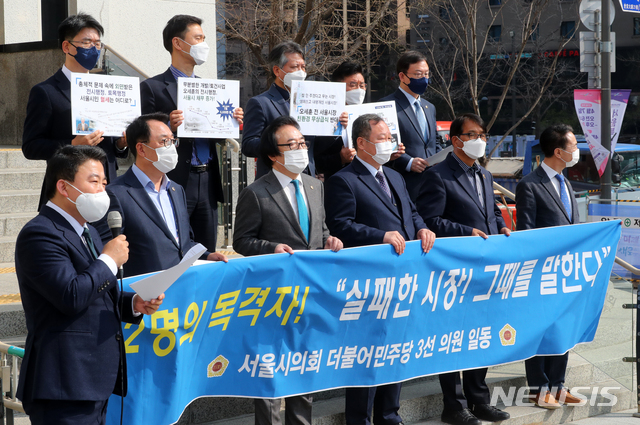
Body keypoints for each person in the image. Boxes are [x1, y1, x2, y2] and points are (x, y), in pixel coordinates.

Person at [15, 145, 164, 425]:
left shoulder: (89, 231)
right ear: (64, 186)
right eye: (94, 181)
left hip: (93, 380)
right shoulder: (40, 233)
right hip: (64, 383)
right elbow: (70, 295)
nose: (102, 191)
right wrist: (109, 259)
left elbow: (95, 294)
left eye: (105, 183)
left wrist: (133, 303)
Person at [325, 113, 435, 425]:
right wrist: (380, 236)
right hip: (369, 282)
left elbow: (411, 214)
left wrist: (423, 229)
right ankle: (359, 419)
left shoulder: (396, 176)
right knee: (367, 351)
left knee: (395, 348)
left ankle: (389, 414)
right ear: (361, 143)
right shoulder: (343, 180)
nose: (389, 144)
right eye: (382, 139)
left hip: (402, 279)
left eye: (389, 137)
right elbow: (341, 226)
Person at [233, 115, 342, 425]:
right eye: (291, 145)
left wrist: (330, 239)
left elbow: (320, 231)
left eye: (302, 143)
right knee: (270, 371)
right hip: (274, 295)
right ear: (272, 154)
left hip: (311, 293)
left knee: (303, 367)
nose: (300, 150)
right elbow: (242, 240)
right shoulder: (256, 192)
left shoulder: (314, 185)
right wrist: (272, 248)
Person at [416, 113, 510, 425]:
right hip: (454, 271)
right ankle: (454, 405)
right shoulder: (438, 175)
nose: (479, 140)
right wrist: (465, 231)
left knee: (481, 335)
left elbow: (492, 211)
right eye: (472, 135)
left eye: (482, 134)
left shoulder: (483, 174)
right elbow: (430, 221)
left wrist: (500, 226)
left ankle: (479, 400)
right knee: (453, 337)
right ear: (456, 141)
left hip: (485, 269)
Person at [140, 14, 243, 252]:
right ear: (178, 43)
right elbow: (140, 136)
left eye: (204, 38)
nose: (204, 45)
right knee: (175, 244)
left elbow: (217, 136)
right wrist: (169, 126)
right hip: (174, 177)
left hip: (207, 178)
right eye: (198, 38)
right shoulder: (153, 87)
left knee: (207, 248)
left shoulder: (210, 89)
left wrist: (231, 122)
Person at [96, 113, 227, 278]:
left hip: (181, 288)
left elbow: (182, 242)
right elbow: (107, 251)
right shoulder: (116, 193)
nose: (171, 147)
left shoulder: (177, 190)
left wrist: (207, 255)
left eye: (173, 141)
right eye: (164, 141)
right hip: (144, 295)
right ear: (141, 149)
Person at [22, 13, 128, 208]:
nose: (94, 49)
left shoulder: (108, 90)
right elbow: (31, 146)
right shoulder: (46, 91)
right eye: (87, 42)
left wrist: (121, 144)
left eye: (98, 44)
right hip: (67, 195)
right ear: (66, 46)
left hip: (106, 191)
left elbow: (114, 149)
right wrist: (71, 144)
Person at [515, 124, 584, 409]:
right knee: (540, 329)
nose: (576, 152)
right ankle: (539, 387)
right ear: (558, 152)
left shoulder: (565, 182)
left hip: (567, 272)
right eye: (573, 147)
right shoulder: (530, 184)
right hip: (541, 274)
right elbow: (527, 233)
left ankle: (558, 384)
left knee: (562, 329)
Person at [243, 41, 316, 179]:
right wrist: (280, 142)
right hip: (274, 180)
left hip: (307, 179)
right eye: (295, 67)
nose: (301, 72)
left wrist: (336, 127)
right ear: (277, 70)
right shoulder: (260, 103)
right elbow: (248, 145)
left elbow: (315, 145)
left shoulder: (311, 103)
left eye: (303, 67)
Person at [380, 50, 438, 202]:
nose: (424, 79)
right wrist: (408, 162)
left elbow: (434, 141)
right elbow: (383, 144)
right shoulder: (386, 106)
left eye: (426, 74)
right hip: (404, 184)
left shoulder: (429, 107)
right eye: (418, 74)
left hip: (432, 184)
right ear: (402, 76)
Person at [314, 61, 362, 180]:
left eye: (362, 85)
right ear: (338, 86)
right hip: (339, 182)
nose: (359, 90)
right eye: (353, 84)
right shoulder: (325, 119)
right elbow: (317, 161)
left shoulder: (370, 115)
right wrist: (340, 158)